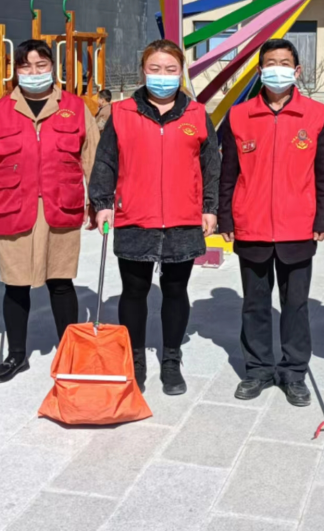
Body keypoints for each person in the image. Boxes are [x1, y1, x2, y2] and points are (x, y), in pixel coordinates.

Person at [88, 40, 220, 396]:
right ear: (143, 71)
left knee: (176, 290)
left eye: (171, 69)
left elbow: (211, 165)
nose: (163, 76)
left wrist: (210, 207)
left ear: (181, 73)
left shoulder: (197, 114)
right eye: (155, 69)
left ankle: (171, 359)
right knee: (135, 291)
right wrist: (101, 202)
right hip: (135, 216)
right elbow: (105, 161)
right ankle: (135, 359)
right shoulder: (122, 112)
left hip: (183, 218)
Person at [0, 39, 99, 383]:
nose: (34, 72)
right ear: (16, 70)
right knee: (15, 285)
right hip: (14, 208)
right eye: (26, 66)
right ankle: (16, 354)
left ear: (52, 67)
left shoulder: (75, 107)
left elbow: (93, 157)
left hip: (61, 207)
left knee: (61, 282)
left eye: (41, 65)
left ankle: (69, 352)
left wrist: (100, 202)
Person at [218, 39, 324, 407]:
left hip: (298, 226)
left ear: (297, 70)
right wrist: (225, 215)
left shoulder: (317, 114)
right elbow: (227, 173)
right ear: (259, 71)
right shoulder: (239, 116)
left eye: (285, 62)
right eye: (270, 63)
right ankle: (257, 369)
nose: (277, 69)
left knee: (295, 305)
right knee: (254, 304)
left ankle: (293, 372)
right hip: (251, 225)